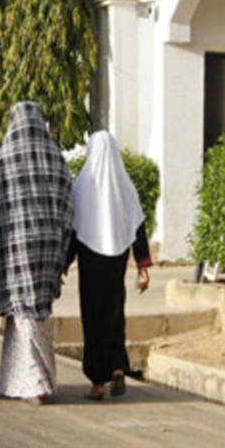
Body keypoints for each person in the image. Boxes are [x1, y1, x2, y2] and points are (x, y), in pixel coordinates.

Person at [0, 102, 74, 406]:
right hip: (48, 250)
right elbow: (68, 209)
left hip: (15, 248)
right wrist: (61, 249)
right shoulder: (56, 158)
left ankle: (35, 382)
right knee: (38, 313)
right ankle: (31, 380)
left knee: (22, 314)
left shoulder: (4, 158)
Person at [66, 131, 151, 401]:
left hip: (90, 264)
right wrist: (143, 266)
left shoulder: (81, 186)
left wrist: (63, 264)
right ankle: (116, 367)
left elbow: (73, 230)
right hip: (116, 263)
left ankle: (98, 383)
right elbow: (138, 228)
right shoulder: (125, 186)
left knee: (93, 320)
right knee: (115, 315)